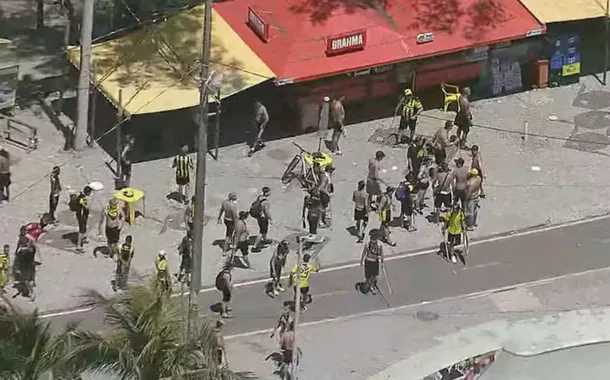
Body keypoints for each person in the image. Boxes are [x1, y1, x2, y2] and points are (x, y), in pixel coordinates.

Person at [14, 235, 37, 301]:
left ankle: (32, 293)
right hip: (24, 267)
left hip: (28, 267)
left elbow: (32, 249)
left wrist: (25, 248)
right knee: (26, 280)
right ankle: (27, 289)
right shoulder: (22, 251)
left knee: (27, 281)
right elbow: (18, 258)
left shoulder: (30, 250)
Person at [75, 186, 92, 253]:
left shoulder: (81, 196)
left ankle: (83, 238)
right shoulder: (82, 198)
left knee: (84, 227)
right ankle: (78, 246)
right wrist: (90, 202)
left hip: (82, 215)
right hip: (81, 215)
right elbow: (86, 207)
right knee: (81, 229)